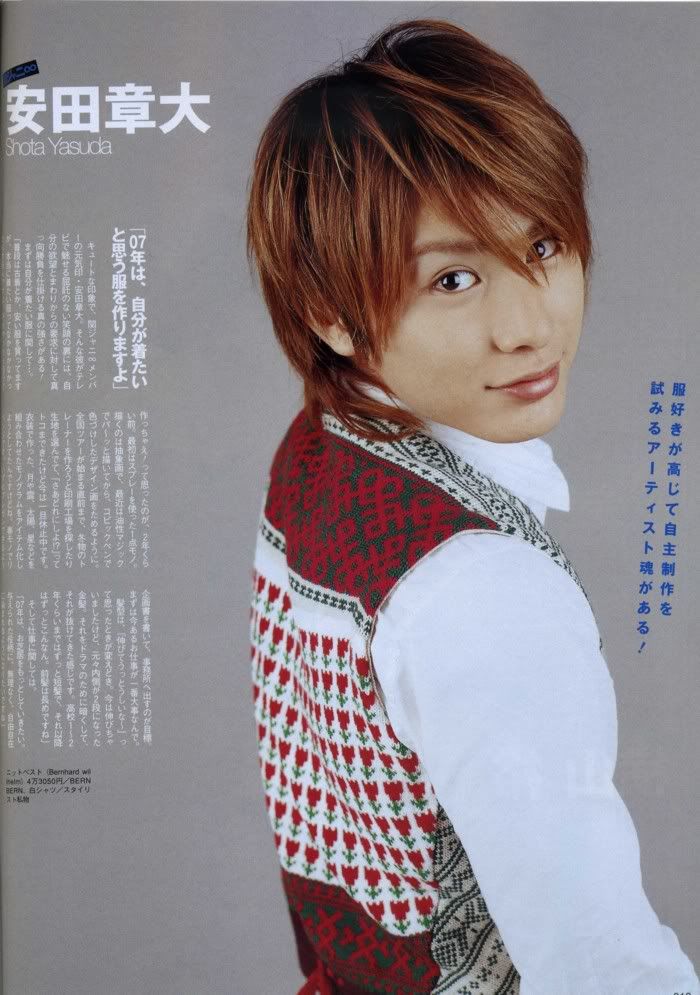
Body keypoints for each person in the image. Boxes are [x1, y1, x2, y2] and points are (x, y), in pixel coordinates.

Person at [246, 17, 698, 995]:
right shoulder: (481, 589)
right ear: (330, 312)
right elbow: (599, 966)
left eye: (543, 244)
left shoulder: (318, 446)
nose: (528, 324)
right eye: (453, 278)